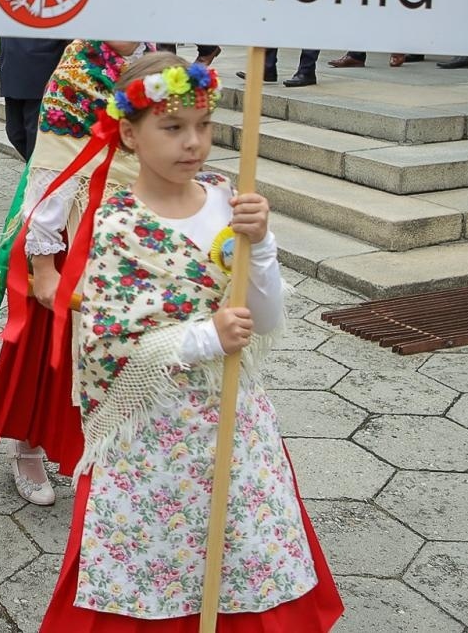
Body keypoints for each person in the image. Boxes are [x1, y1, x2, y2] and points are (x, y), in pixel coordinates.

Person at [38, 51, 343, 632]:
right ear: (129, 133)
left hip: (233, 424)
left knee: (238, 551)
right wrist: (206, 337)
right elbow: (104, 344)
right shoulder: (114, 224)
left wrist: (264, 245)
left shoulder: (229, 201)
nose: (193, 142)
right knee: (154, 561)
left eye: (203, 125)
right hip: (153, 437)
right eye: (172, 127)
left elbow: (268, 317)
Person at [0, 40, 140, 507]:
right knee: (46, 348)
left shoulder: (153, 61)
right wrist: (45, 263)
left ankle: (106, 451)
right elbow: (53, 164)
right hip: (74, 228)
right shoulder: (80, 66)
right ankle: (27, 447)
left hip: (128, 234)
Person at [0, 38, 69, 160]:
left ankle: (33, 172)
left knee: (34, 136)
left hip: (43, 67)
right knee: (14, 132)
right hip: (11, 68)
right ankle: (36, 167)